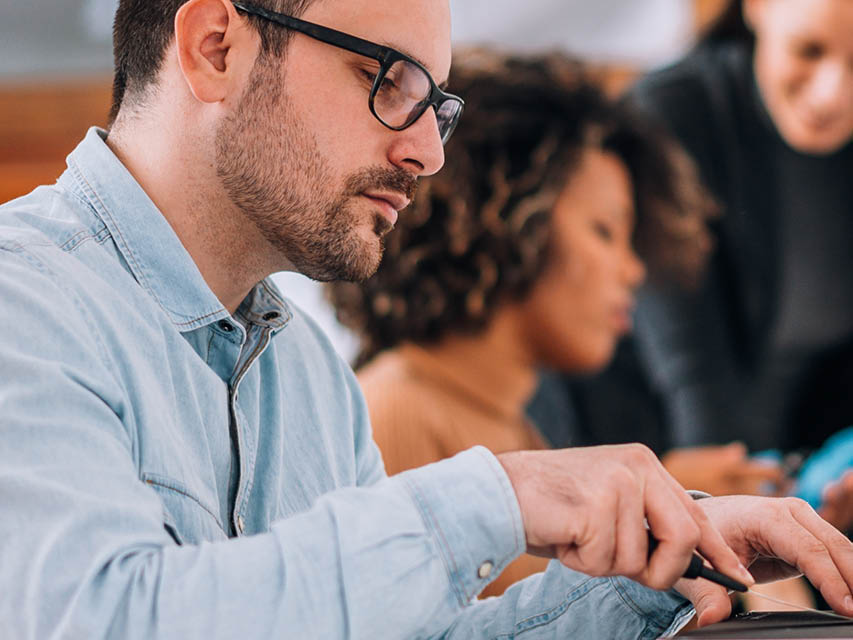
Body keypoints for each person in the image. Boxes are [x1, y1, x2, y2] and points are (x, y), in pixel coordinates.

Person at [0, 0, 852, 637]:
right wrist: (498, 494)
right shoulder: (24, 303)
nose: (428, 153)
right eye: (387, 81)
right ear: (215, 47)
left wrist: (665, 568)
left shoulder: (307, 380)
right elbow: (100, 619)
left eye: (434, 105)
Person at [328, 49, 721, 596]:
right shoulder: (394, 415)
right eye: (605, 231)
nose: (632, 270)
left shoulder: (515, 427)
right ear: (511, 219)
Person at [529, 0, 853, 515]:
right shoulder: (671, 114)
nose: (832, 95)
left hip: (787, 488)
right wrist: (764, 534)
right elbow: (696, 382)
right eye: (808, 50)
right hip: (643, 469)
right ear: (758, 7)